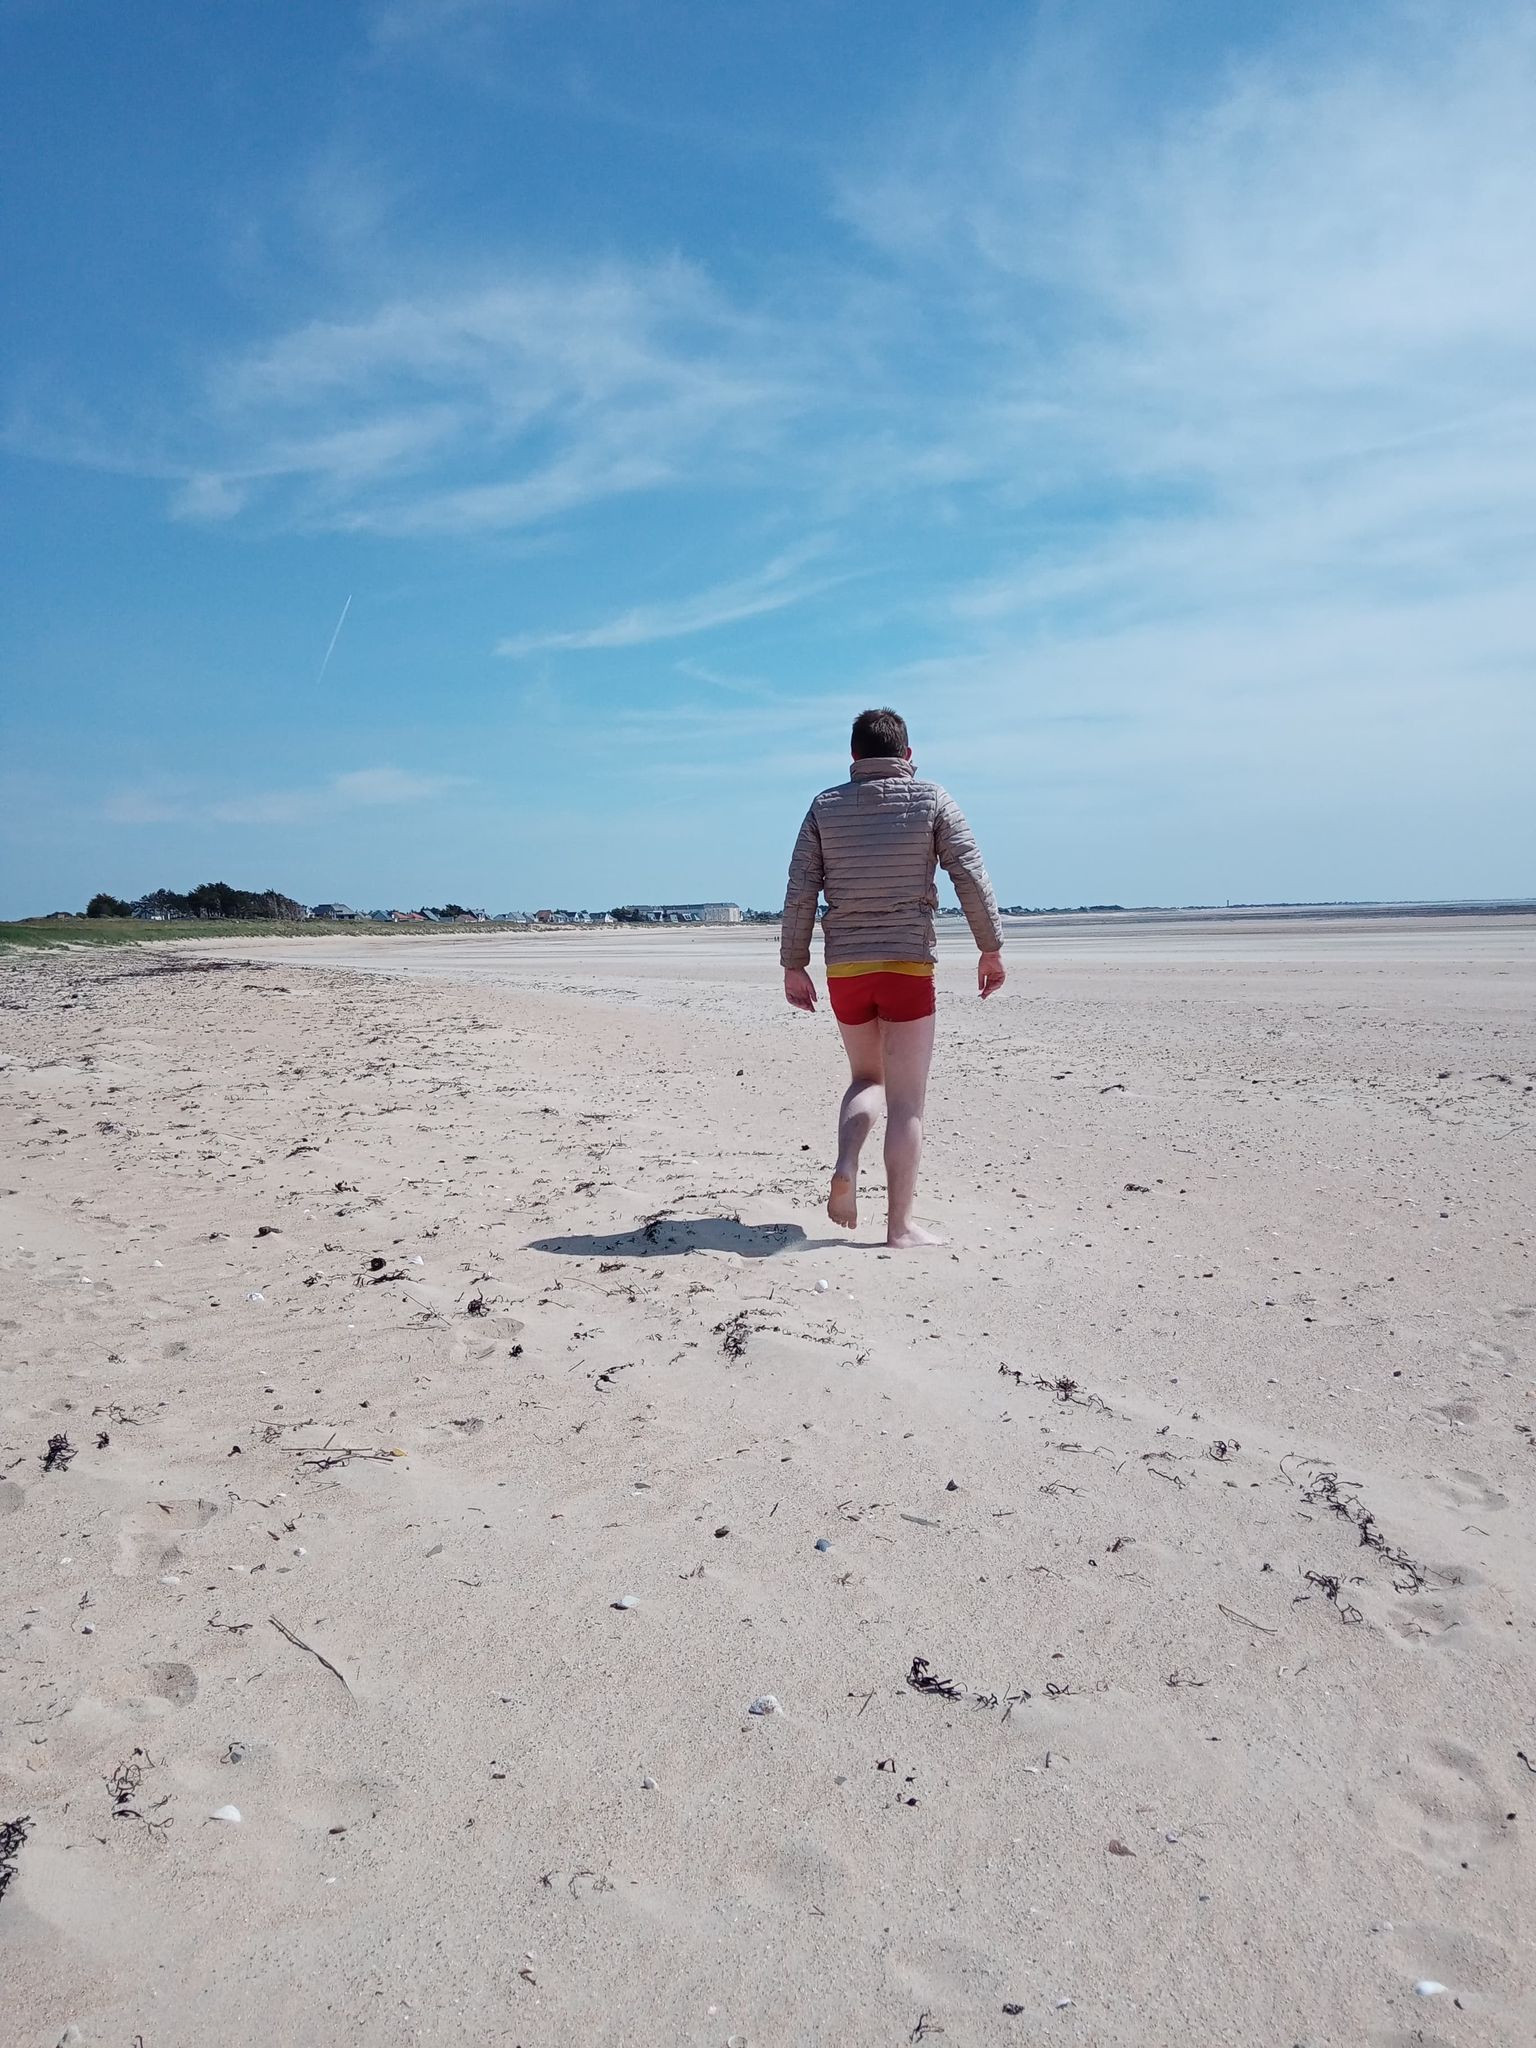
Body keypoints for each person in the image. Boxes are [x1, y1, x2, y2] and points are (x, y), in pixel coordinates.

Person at [780, 707, 1005, 1247]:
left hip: (847, 967)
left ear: (853, 756)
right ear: (907, 755)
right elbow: (969, 875)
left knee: (866, 1078)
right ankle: (899, 1228)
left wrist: (794, 963)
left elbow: (800, 888)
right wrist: (990, 949)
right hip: (907, 963)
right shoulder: (931, 798)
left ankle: (846, 1162)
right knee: (907, 1102)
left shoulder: (824, 806)